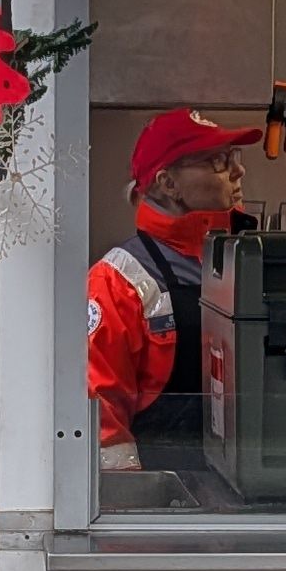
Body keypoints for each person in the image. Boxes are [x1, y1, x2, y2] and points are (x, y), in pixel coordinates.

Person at [85, 108, 255, 475]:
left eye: (234, 157)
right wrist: (131, 498)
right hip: (167, 496)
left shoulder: (254, 266)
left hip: (256, 490)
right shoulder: (117, 282)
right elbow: (102, 417)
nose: (238, 170)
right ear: (168, 184)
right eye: (218, 161)